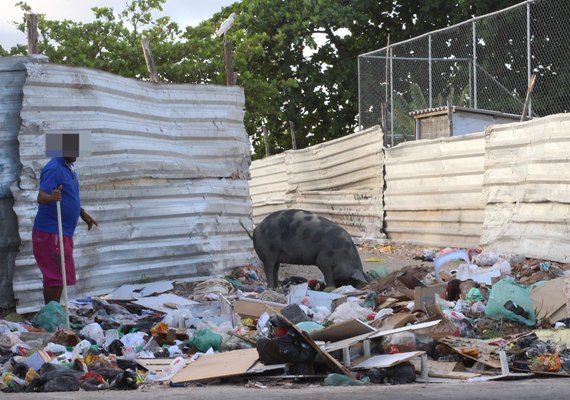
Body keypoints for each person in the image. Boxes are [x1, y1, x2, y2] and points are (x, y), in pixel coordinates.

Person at [32, 156, 98, 304]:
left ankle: (55, 310)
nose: (76, 154)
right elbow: (41, 197)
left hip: (63, 232)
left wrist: (81, 212)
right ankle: (51, 313)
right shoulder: (54, 168)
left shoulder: (69, 166)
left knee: (60, 275)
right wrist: (51, 197)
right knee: (55, 277)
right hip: (51, 232)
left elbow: (69, 195)